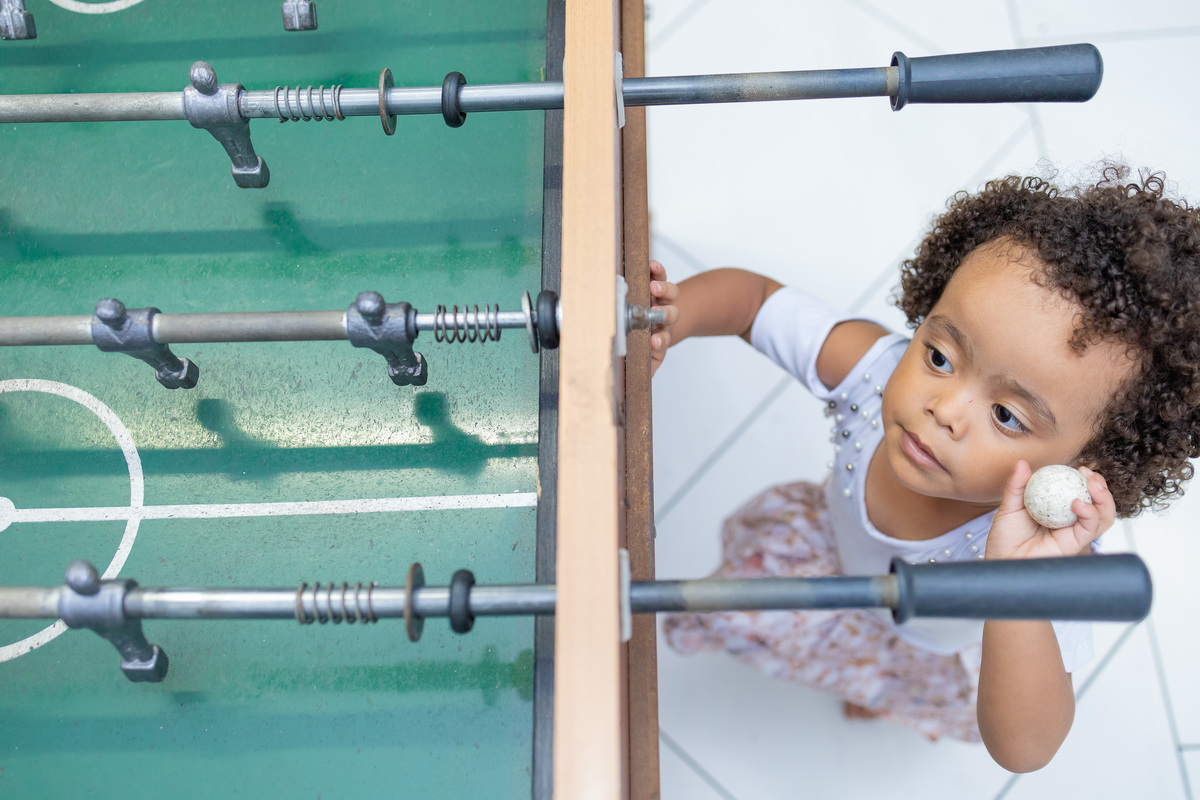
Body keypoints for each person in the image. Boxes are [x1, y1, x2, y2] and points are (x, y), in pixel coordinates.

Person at [645, 167, 1200, 773]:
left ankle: (872, 689)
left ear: (1084, 467)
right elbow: (753, 303)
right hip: (821, 553)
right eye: (940, 355)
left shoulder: (1045, 558)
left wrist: (1018, 584)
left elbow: (1025, 747)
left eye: (1008, 416)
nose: (945, 410)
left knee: (881, 678)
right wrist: (675, 317)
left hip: (919, 645)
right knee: (754, 609)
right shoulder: (870, 371)